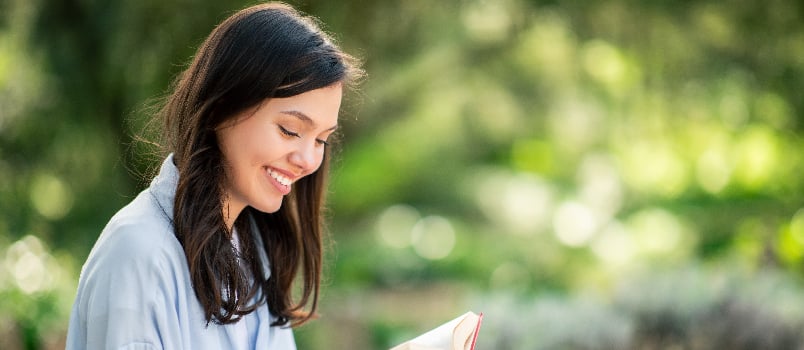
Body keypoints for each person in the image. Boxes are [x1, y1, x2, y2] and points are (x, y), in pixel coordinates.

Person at [66, 2, 362, 349]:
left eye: (322, 139)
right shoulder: (139, 255)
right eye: (290, 130)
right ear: (223, 106)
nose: (308, 160)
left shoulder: (253, 248)